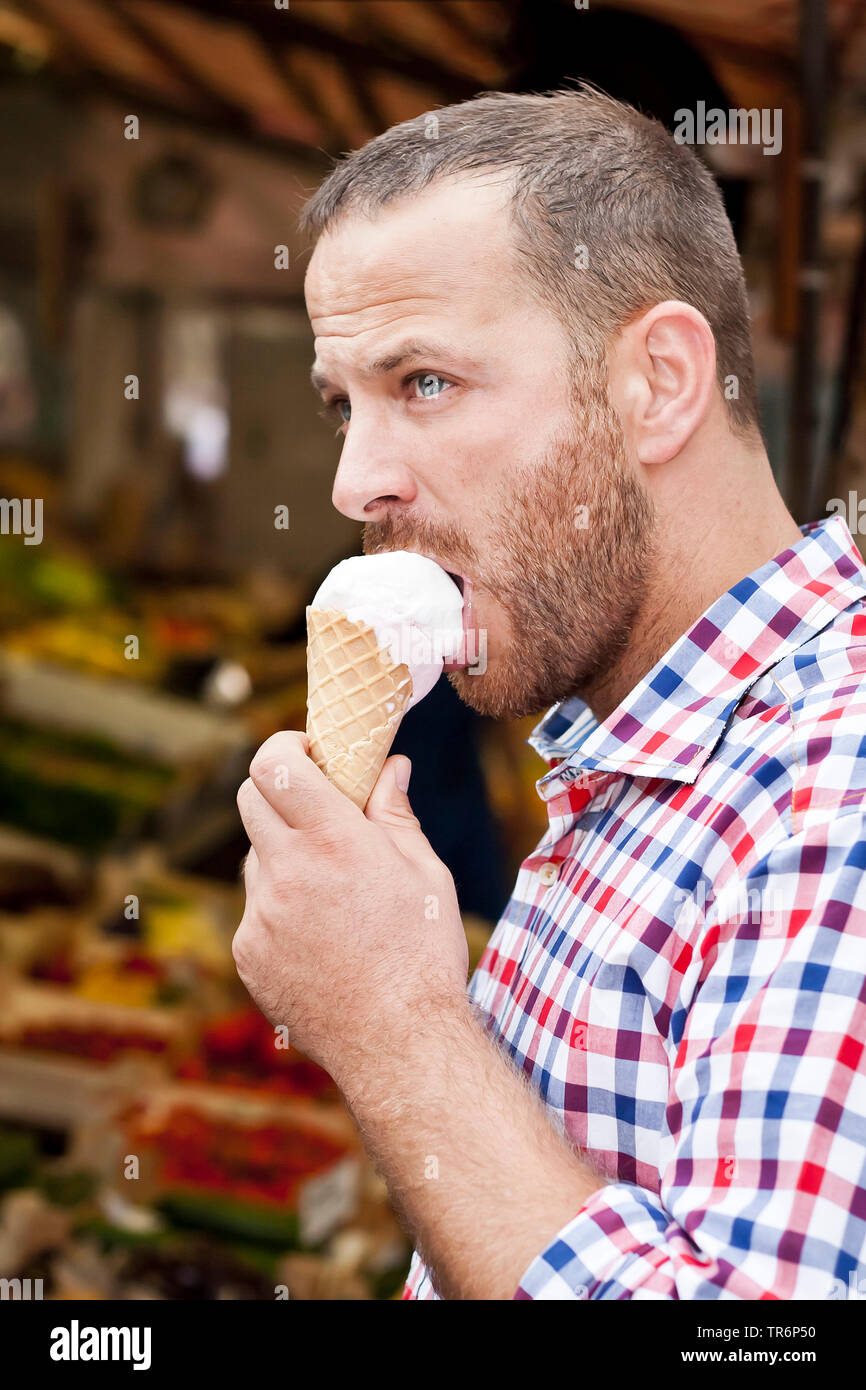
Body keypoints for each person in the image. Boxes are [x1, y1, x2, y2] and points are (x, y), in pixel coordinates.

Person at [233, 87, 866, 1300]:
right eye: (340, 404)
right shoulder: (638, 754)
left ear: (657, 384)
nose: (352, 482)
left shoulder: (831, 781)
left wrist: (394, 1026)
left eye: (421, 383)